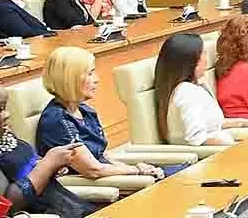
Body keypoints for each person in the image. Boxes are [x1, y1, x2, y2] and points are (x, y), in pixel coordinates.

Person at [0, 75, 90, 218]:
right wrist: (47, 165)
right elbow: (7, 203)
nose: (7, 114)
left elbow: (29, 169)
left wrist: (53, 167)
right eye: (0, 109)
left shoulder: (4, 136)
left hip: (70, 207)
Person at [33, 47, 163, 187]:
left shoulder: (85, 110)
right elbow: (93, 169)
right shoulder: (57, 120)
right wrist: (136, 170)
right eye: (90, 74)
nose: (96, 80)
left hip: (111, 180)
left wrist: (137, 168)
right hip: (93, 188)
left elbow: (103, 157)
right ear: (70, 79)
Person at [155, 32, 234, 149]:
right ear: (192, 61)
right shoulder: (186, 93)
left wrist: (245, 123)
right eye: (204, 54)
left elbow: (214, 123)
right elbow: (196, 138)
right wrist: (236, 147)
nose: (207, 59)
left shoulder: (193, 87)